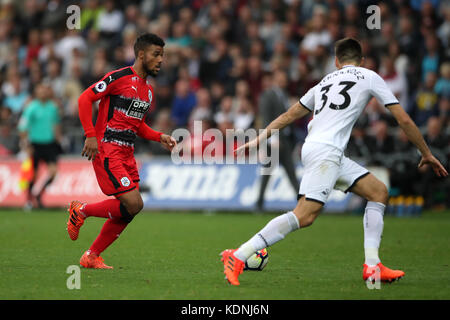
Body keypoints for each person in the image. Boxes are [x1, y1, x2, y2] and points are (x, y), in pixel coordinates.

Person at [223, 38, 448, 286]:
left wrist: (260, 138)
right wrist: (425, 152)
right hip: (326, 152)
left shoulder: (324, 82)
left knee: (378, 192)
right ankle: (239, 255)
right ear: (361, 61)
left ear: (336, 61)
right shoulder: (369, 76)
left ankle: (372, 266)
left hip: (322, 150)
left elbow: (289, 115)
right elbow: (403, 119)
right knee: (305, 215)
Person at [67, 33, 177, 269]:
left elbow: (137, 125)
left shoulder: (148, 91)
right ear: (141, 54)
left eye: (162, 55)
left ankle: (91, 256)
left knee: (129, 211)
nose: (160, 60)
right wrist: (90, 135)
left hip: (127, 153)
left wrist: (159, 136)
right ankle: (81, 210)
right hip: (107, 149)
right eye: (156, 54)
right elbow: (85, 99)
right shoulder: (118, 77)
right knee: (134, 203)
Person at [256, 70, 300, 211]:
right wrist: (272, 138)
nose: (284, 80)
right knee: (270, 172)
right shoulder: (268, 95)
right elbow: (267, 118)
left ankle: (303, 203)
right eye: (281, 77)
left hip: (284, 140)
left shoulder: (283, 95)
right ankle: (259, 203)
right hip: (274, 141)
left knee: (290, 172)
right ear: (275, 79)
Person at [18, 82, 62, 209]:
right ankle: (29, 200)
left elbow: (56, 125)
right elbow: (22, 127)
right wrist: (26, 145)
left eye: (45, 90)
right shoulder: (31, 107)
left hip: (50, 144)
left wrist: (59, 140)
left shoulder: (53, 107)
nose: (43, 92)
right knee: (33, 175)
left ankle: (39, 195)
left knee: (53, 173)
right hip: (35, 144)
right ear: (36, 92)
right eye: (40, 90)